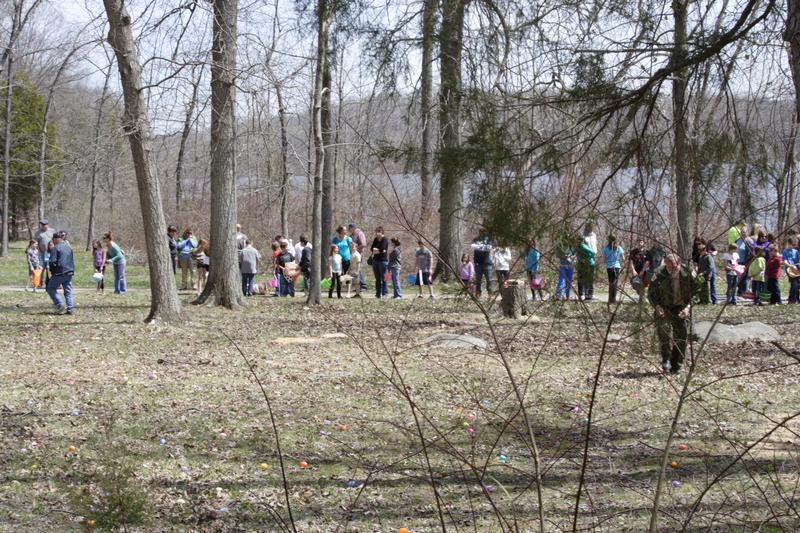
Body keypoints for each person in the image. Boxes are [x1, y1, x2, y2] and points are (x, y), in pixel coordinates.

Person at [648, 253, 695, 374]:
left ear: (678, 263)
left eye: (673, 267)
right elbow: (651, 294)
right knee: (664, 334)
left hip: (681, 308)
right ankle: (666, 361)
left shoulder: (688, 273)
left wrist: (688, 307)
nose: (671, 270)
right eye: (668, 267)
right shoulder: (659, 273)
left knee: (681, 337)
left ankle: (676, 365)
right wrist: (657, 307)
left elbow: (697, 292)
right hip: (664, 308)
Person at [46, 232, 75, 315]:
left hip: (59, 272)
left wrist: (52, 271)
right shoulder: (68, 247)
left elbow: (52, 261)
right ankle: (70, 308)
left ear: (55, 239)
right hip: (69, 271)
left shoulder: (55, 248)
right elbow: (71, 259)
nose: (53, 241)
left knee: (50, 288)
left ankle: (59, 304)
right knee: (68, 291)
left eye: (53, 239)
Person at [470, 227, 494, 298]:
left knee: (489, 279)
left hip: (487, 262)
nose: (482, 232)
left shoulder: (489, 240)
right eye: (481, 231)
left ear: (486, 231)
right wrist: (483, 247)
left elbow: (489, 248)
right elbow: (473, 246)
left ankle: (490, 293)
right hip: (478, 262)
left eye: (484, 231)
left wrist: (479, 247)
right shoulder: (475, 239)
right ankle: (478, 293)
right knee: (478, 279)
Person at [601, 235, 624, 304]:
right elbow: (623, 258)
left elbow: (604, 260)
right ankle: (613, 300)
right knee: (615, 283)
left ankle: (610, 299)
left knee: (611, 283)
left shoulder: (605, 249)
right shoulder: (619, 248)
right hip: (617, 267)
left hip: (609, 267)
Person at [370, 227, 389, 299]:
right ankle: (378, 294)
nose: (377, 233)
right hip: (375, 261)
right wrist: (377, 250)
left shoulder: (385, 239)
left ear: (382, 232)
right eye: (377, 231)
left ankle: (384, 293)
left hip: (383, 261)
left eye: (379, 231)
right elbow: (372, 248)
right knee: (377, 278)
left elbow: (383, 248)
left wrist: (377, 250)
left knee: (384, 278)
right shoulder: (375, 239)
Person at [35, 220, 54, 288]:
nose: (43, 226)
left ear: (47, 224)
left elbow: (55, 241)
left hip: (51, 253)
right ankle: (40, 283)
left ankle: (51, 283)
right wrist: (39, 252)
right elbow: (35, 243)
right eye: (42, 225)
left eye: (45, 224)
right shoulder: (38, 233)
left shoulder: (52, 231)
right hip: (42, 253)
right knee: (41, 268)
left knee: (50, 268)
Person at [349, 223, 368, 291]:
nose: (349, 230)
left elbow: (363, 244)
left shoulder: (359, 233)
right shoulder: (351, 235)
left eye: (350, 229)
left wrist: (356, 249)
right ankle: (357, 287)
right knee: (355, 270)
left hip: (359, 255)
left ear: (353, 228)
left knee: (359, 270)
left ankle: (363, 286)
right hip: (353, 255)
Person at [582, 222, 598, 299]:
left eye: (591, 226)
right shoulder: (583, 236)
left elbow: (595, 246)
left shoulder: (594, 235)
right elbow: (583, 248)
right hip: (586, 259)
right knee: (586, 277)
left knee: (591, 277)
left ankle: (590, 294)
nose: (590, 228)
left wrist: (595, 253)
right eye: (589, 226)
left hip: (593, 259)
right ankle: (586, 293)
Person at [576, 235, 595, 301]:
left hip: (586, 264)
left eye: (578, 240)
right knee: (583, 279)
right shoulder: (580, 246)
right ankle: (584, 295)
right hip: (584, 264)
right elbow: (592, 252)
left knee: (585, 279)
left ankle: (586, 295)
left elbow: (592, 252)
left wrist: (586, 257)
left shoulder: (581, 246)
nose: (577, 241)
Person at [783, 239, 800, 304]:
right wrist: (790, 265)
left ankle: (794, 299)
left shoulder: (796, 251)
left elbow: (798, 260)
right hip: (789, 270)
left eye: (793, 245)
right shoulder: (785, 251)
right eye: (790, 244)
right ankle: (792, 300)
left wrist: (797, 265)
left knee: (796, 284)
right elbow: (784, 261)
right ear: (788, 244)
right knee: (794, 283)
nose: (792, 246)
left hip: (796, 269)